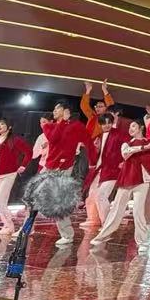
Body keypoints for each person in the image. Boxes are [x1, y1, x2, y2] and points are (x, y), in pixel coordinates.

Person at [90, 118, 150, 251]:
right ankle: (102, 237)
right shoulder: (126, 144)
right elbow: (125, 154)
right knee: (116, 210)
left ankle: (143, 242)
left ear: (141, 128)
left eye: (133, 126)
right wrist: (143, 148)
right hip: (126, 180)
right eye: (130, 127)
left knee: (138, 211)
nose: (130, 129)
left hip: (142, 182)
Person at [40, 98, 88, 247]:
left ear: (65, 111)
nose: (54, 111)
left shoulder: (73, 126)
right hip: (50, 166)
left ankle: (67, 234)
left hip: (64, 167)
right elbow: (54, 138)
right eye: (54, 109)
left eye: (57, 108)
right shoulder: (48, 126)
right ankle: (25, 227)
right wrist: (62, 123)